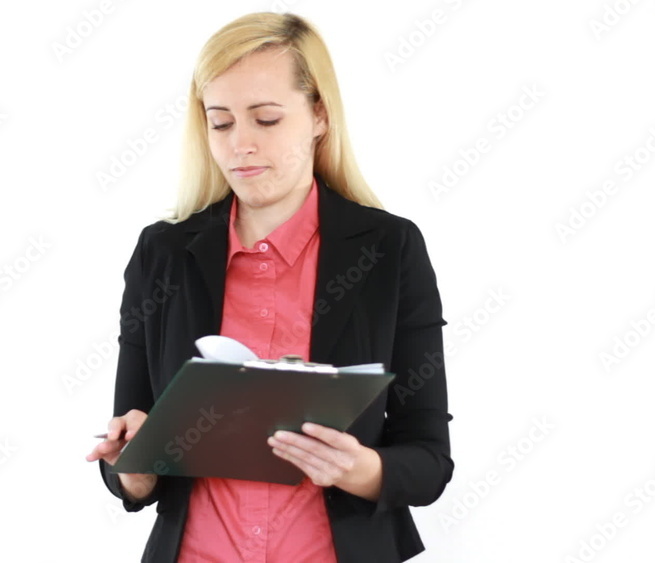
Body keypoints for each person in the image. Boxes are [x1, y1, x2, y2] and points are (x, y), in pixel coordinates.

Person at [85, 11, 453, 562]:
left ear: (319, 114)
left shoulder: (390, 251)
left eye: (266, 119)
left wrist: (361, 469)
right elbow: (130, 463)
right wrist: (132, 469)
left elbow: (428, 460)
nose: (241, 146)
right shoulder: (161, 255)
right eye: (222, 122)